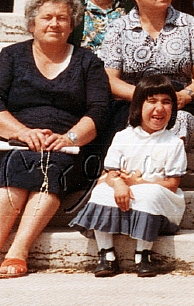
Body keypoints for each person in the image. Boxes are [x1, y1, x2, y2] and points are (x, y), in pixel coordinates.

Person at [0, 0, 110, 279]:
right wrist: (24, 133)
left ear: (72, 25)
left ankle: (18, 251)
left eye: (63, 18)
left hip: (67, 147)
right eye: (47, 17)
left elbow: (99, 111)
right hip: (14, 142)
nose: (54, 24)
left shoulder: (88, 62)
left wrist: (69, 137)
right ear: (32, 23)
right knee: (16, 166)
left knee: (50, 166)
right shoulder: (11, 57)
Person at [72, 74, 186, 278]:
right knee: (100, 192)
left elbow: (172, 183)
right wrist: (118, 184)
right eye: (151, 102)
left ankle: (143, 253)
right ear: (137, 107)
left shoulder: (174, 143)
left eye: (166, 102)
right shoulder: (123, 137)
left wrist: (139, 182)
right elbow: (110, 173)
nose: (159, 108)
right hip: (124, 194)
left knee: (149, 193)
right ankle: (106, 253)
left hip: (160, 203)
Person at [103, 0, 194, 144]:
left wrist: (186, 95)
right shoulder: (118, 28)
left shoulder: (188, 24)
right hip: (133, 105)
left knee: (180, 123)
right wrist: (145, 98)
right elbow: (110, 79)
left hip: (176, 106)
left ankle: (167, 173)